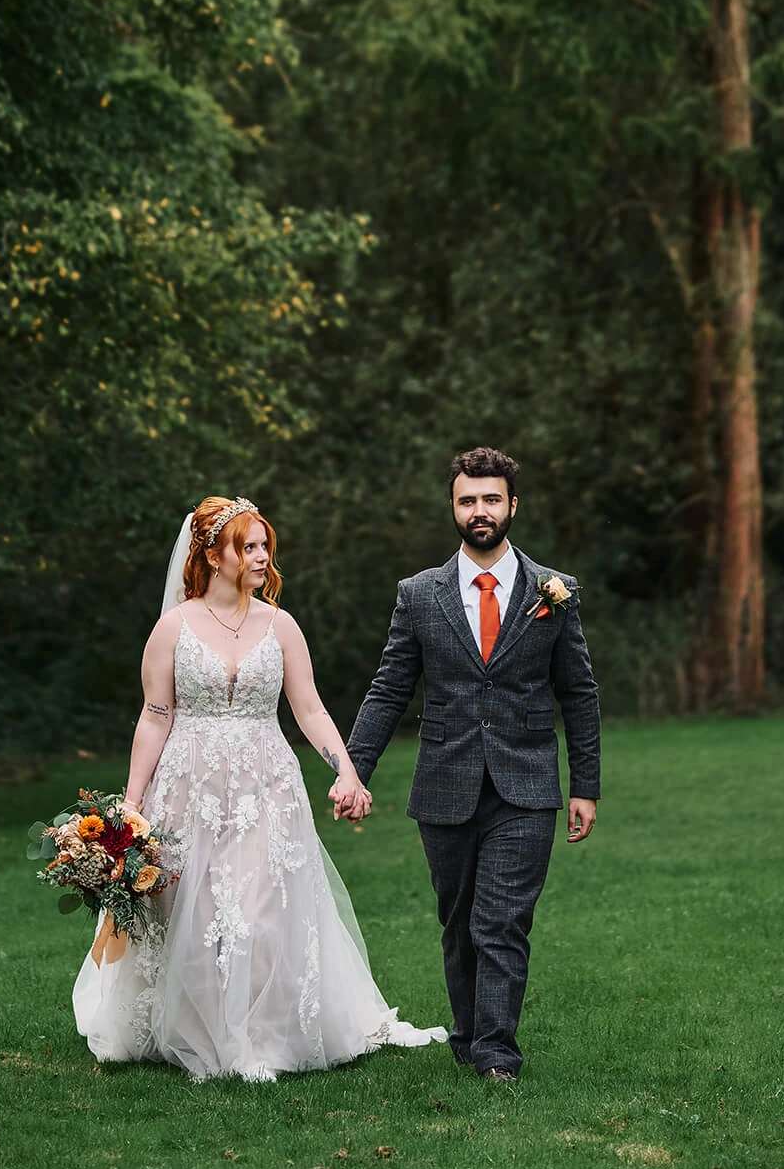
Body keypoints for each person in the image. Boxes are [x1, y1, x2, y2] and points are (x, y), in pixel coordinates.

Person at [70, 494, 447, 1081]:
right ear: (212, 556)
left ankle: (261, 1038)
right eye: (247, 547)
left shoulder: (280, 625)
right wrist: (133, 805)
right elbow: (155, 716)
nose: (261, 557)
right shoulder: (173, 628)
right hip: (189, 789)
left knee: (260, 911)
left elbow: (309, 708)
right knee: (195, 916)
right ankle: (203, 1034)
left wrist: (346, 770)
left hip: (265, 786)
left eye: (264, 546)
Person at [336, 448, 600, 1081]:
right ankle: (468, 1035)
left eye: (491, 499)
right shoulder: (418, 595)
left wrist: (585, 785)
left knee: (502, 921)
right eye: (467, 500)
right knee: (458, 923)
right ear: (453, 508)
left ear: (513, 505)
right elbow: (389, 689)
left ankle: (497, 1053)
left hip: (527, 783)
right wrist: (354, 769)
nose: (479, 510)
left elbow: (579, 693)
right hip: (445, 782)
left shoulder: (554, 592)